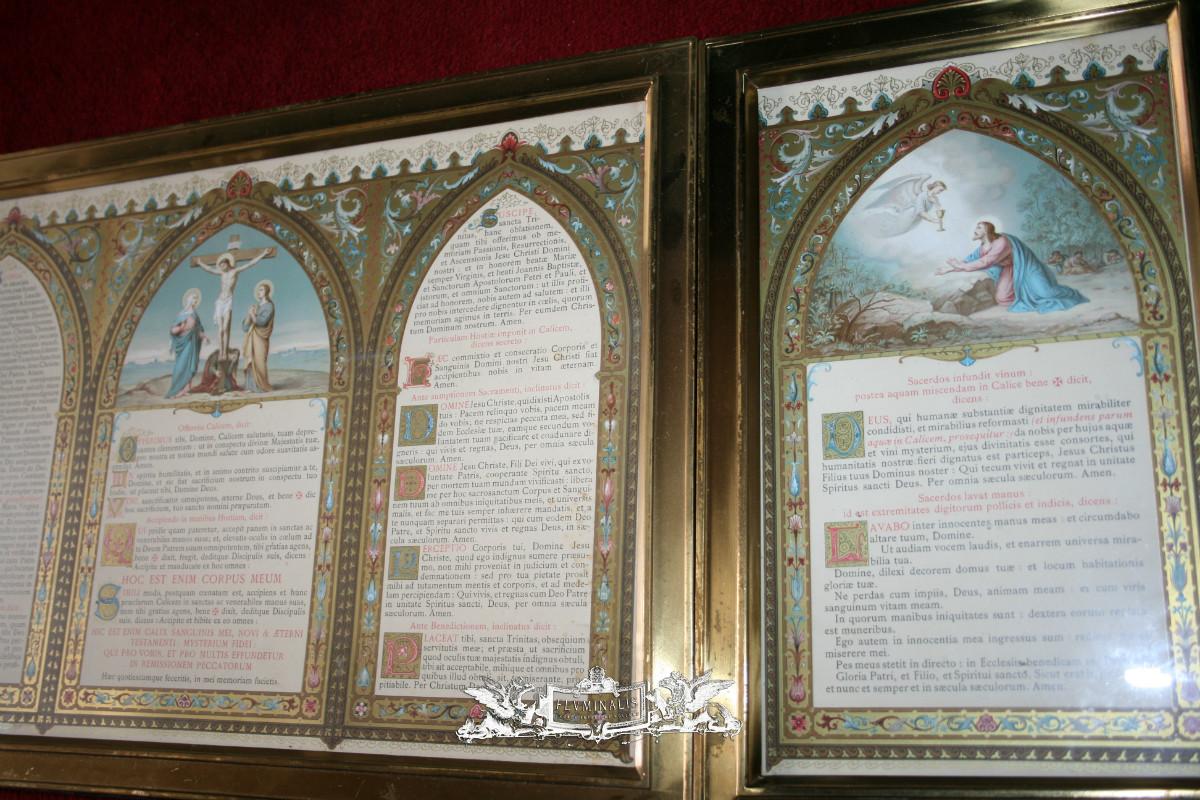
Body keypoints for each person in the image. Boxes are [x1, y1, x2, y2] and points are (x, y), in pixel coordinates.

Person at [938, 221, 1087, 312]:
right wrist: (950, 268)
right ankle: (1022, 292)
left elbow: (985, 262)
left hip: (1026, 268)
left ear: (987, 231)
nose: (975, 230)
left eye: (979, 228)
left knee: (1046, 293)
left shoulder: (1002, 242)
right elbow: (969, 261)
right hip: (1010, 270)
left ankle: (1070, 293)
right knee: (1002, 299)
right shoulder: (983, 246)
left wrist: (958, 266)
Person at [196, 249, 272, 361]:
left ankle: (225, 353)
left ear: (227, 263)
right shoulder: (221, 273)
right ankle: (221, 352)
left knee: (225, 328)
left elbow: (250, 264)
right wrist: (200, 263)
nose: (221, 267)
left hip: (228, 301)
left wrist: (263, 254)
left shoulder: (235, 271)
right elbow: (209, 269)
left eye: (223, 265)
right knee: (220, 330)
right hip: (220, 302)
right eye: (220, 266)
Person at [861, 174, 947, 237]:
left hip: (915, 220)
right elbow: (920, 212)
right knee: (892, 229)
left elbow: (939, 209)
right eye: (940, 190)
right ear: (935, 187)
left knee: (897, 231)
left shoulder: (935, 198)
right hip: (909, 216)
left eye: (942, 191)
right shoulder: (922, 195)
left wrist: (939, 212)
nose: (940, 192)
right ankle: (870, 231)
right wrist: (933, 220)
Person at [165, 288, 208, 398]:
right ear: (189, 300)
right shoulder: (182, 314)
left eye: (196, 299)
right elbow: (173, 330)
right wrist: (181, 328)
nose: (195, 301)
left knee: (190, 366)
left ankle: (186, 388)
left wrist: (204, 337)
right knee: (180, 367)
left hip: (192, 343)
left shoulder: (195, 315)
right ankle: (176, 390)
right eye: (194, 298)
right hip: (183, 343)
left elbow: (198, 329)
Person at [241, 280, 275, 392]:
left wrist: (252, 314)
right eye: (258, 290)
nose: (258, 292)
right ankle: (250, 386)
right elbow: (245, 327)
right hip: (252, 336)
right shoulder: (256, 307)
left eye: (261, 290)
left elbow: (262, 322)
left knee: (259, 361)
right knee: (251, 361)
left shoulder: (269, 306)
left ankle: (262, 386)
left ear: (266, 292)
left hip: (261, 338)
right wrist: (249, 314)